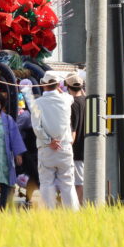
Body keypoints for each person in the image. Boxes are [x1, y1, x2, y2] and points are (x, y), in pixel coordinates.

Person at [30, 71, 79, 210]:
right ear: (58, 85)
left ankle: (48, 214)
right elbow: (69, 96)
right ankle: (73, 214)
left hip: (46, 148)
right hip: (64, 147)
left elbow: (36, 127)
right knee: (68, 183)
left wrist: (48, 140)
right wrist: (58, 88)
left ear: (43, 85)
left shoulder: (37, 103)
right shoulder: (66, 99)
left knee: (46, 183)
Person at [66, 73, 86, 202]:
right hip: (88, 148)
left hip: (76, 149)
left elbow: (72, 130)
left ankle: (79, 209)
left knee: (78, 183)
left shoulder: (71, 104)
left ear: (67, 87)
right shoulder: (88, 101)